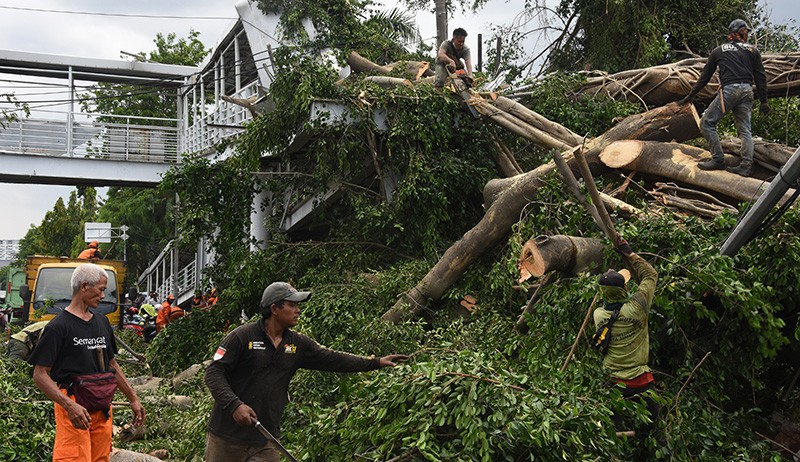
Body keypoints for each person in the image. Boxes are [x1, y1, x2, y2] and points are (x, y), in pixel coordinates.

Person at [204, 281, 407, 462]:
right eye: (292, 305)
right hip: (227, 438)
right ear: (274, 308)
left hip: (266, 438)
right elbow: (213, 373)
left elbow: (334, 359)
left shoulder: (297, 344)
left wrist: (376, 362)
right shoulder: (242, 337)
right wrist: (234, 405)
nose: (297, 310)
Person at [27, 263, 145, 462]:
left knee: (100, 457)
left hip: (102, 405)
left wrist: (133, 398)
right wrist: (68, 406)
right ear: (84, 287)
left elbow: (112, 365)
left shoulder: (102, 322)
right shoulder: (58, 327)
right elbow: (40, 375)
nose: (103, 295)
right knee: (73, 458)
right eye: (100, 289)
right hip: (75, 405)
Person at [678, 19, 770, 177]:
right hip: (747, 91)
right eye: (745, 31)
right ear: (737, 32)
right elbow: (760, 77)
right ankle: (746, 165)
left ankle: (718, 159)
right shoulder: (752, 51)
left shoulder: (719, 51)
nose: (747, 33)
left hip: (730, 90)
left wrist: (690, 96)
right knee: (745, 131)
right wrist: (764, 101)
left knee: (706, 123)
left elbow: (704, 77)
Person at [593, 241, 660, 444]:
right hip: (641, 380)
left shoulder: (598, 315)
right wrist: (630, 255)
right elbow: (650, 276)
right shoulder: (638, 307)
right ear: (624, 288)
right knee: (655, 428)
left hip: (612, 382)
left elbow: (613, 301)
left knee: (613, 431)